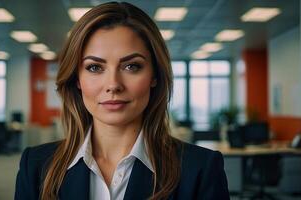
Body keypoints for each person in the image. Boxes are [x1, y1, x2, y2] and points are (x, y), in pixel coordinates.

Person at [15, 2, 229, 200]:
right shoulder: (36, 166)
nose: (113, 84)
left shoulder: (200, 169)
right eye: (94, 67)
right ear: (77, 79)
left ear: (154, 76)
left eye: (131, 66)